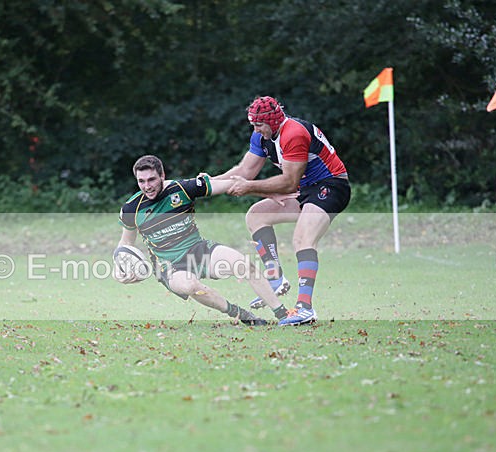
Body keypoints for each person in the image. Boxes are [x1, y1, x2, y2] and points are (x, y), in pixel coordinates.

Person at [207, 95, 350, 326]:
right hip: (305, 190)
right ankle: (275, 277)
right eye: (252, 124)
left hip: (331, 186)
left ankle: (305, 309)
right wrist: (209, 183)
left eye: (259, 124)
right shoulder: (261, 137)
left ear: (273, 121)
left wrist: (250, 188)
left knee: (303, 239)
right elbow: (245, 171)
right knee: (256, 216)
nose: (255, 129)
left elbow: (288, 183)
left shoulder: (293, 133)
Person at [115, 154, 291, 326]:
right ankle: (240, 314)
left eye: (152, 179)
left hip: (198, 249)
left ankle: (283, 314)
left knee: (244, 265)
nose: (147, 186)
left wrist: (269, 193)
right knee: (191, 286)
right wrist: (120, 269)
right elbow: (126, 244)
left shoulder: (183, 189)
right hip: (168, 265)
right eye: (141, 181)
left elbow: (231, 184)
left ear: (162, 176)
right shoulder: (132, 209)